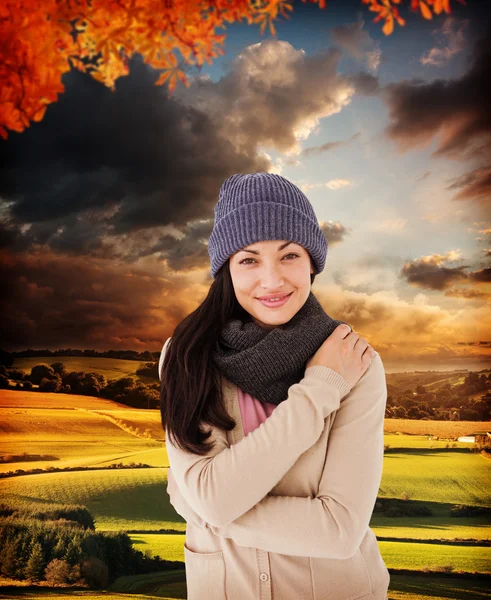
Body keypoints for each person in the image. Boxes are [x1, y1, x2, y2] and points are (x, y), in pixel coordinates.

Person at [159, 172, 390, 600]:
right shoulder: (186, 355)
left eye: (289, 256)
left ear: (312, 262)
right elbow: (212, 497)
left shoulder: (354, 363)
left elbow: (338, 531)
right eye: (249, 260)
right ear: (226, 268)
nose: (272, 280)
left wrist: (209, 512)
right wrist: (319, 390)